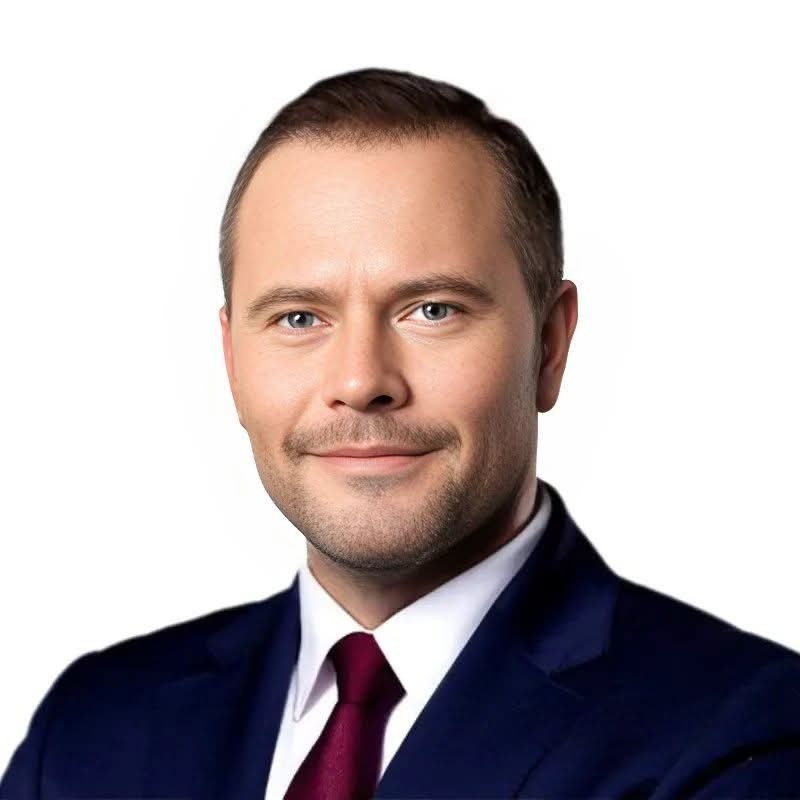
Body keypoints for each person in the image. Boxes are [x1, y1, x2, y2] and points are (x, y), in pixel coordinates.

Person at [2, 67, 799, 800]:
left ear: (550, 345)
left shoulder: (746, 738)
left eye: (432, 310)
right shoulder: (88, 733)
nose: (360, 381)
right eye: (299, 318)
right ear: (232, 360)